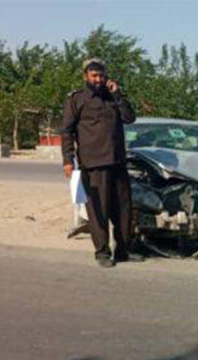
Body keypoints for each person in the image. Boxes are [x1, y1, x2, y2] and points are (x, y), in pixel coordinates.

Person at [61, 58, 138, 268]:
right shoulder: (76, 99)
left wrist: (117, 95)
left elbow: (130, 118)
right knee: (99, 211)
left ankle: (122, 251)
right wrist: (68, 160)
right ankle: (102, 252)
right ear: (86, 76)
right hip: (94, 164)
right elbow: (67, 132)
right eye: (94, 76)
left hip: (118, 162)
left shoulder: (113, 97)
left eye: (102, 76)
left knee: (123, 210)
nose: (99, 79)